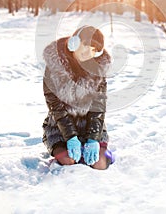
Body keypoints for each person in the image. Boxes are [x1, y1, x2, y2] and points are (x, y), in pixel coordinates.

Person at [42, 25, 114, 169]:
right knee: (69, 160)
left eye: (94, 50)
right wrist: (70, 137)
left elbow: (98, 107)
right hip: (60, 128)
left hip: (91, 126)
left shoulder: (98, 70)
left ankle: (102, 150)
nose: (89, 52)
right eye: (86, 45)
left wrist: (93, 139)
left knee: (99, 163)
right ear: (73, 42)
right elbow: (56, 107)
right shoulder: (54, 68)